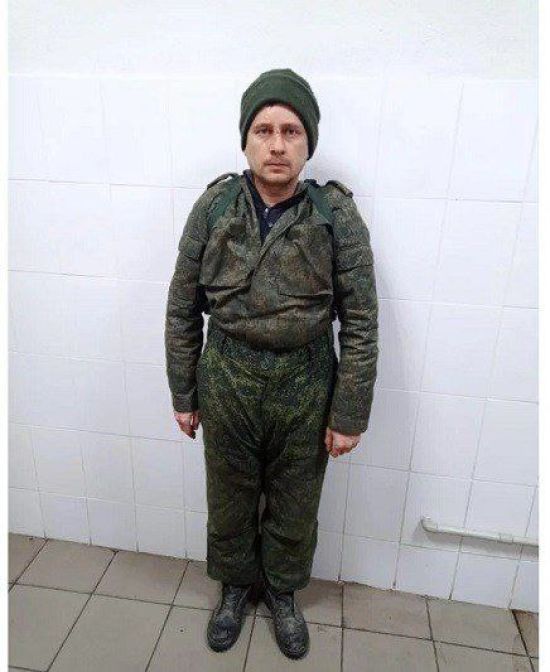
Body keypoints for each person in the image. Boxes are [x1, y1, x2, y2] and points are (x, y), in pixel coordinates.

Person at [164, 68, 378, 659]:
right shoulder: (215, 209)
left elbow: (361, 320)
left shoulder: (335, 215)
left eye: (291, 131)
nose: (277, 144)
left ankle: (282, 592)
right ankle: (235, 588)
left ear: (308, 142)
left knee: (296, 499)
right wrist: (184, 394)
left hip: (307, 381)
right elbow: (182, 307)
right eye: (264, 130)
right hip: (226, 376)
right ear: (246, 141)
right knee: (229, 495)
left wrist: (349, 413)